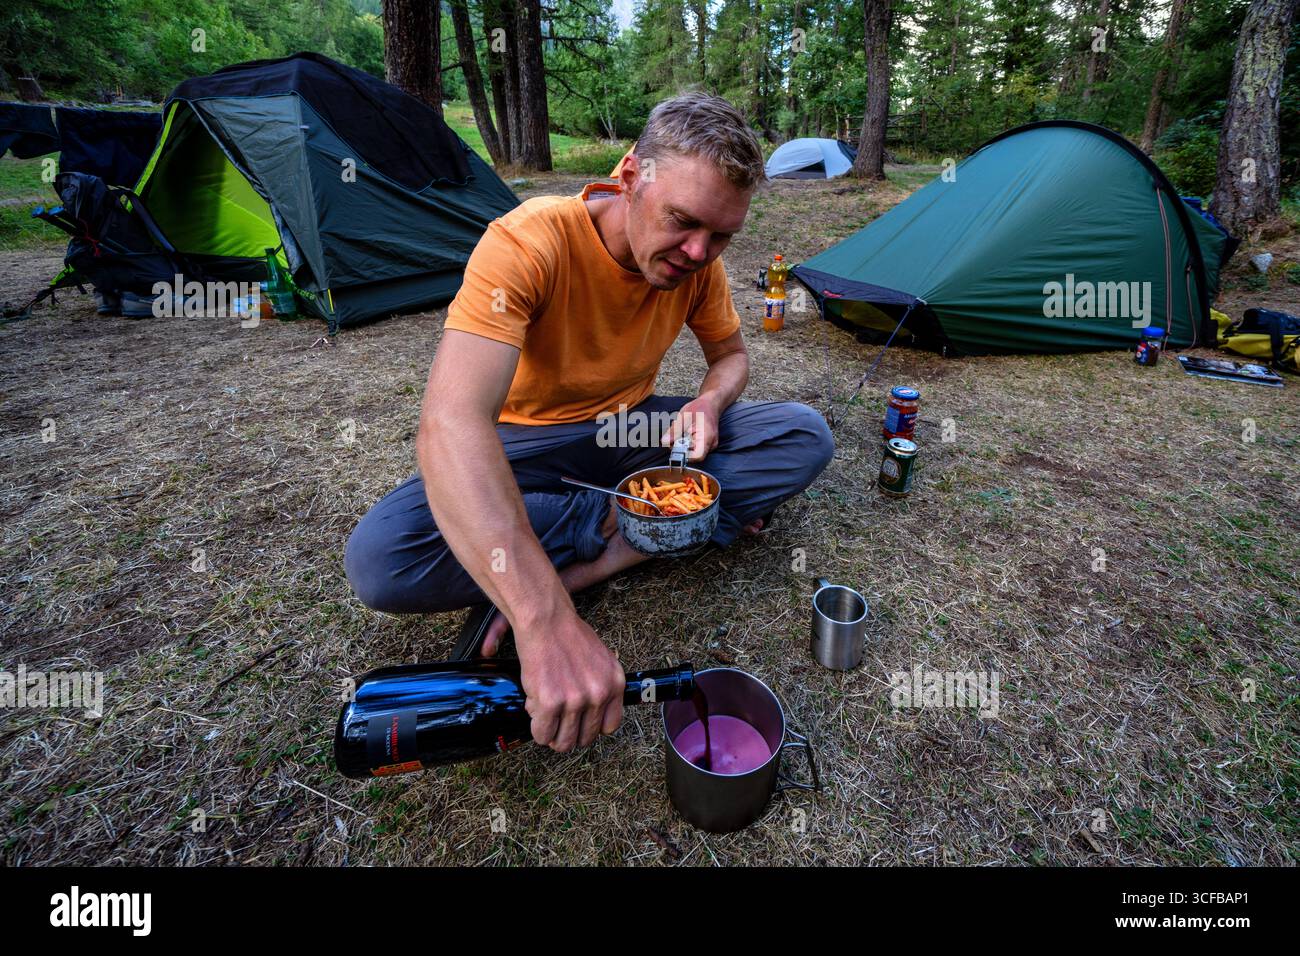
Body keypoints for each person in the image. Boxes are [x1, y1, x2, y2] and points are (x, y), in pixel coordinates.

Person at [345, 93, 833, 757]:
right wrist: (543, 618)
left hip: (634, 432)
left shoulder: (699, 263)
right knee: (382, 558)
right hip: (527, 441)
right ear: (631, 177)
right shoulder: (528, 241)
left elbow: (732, 357)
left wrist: (708, 405)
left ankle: (601, 549)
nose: (698, 251)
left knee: (802, 435)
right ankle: (623, 531)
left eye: (721, 236)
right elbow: (451, 421)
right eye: (684, 222)